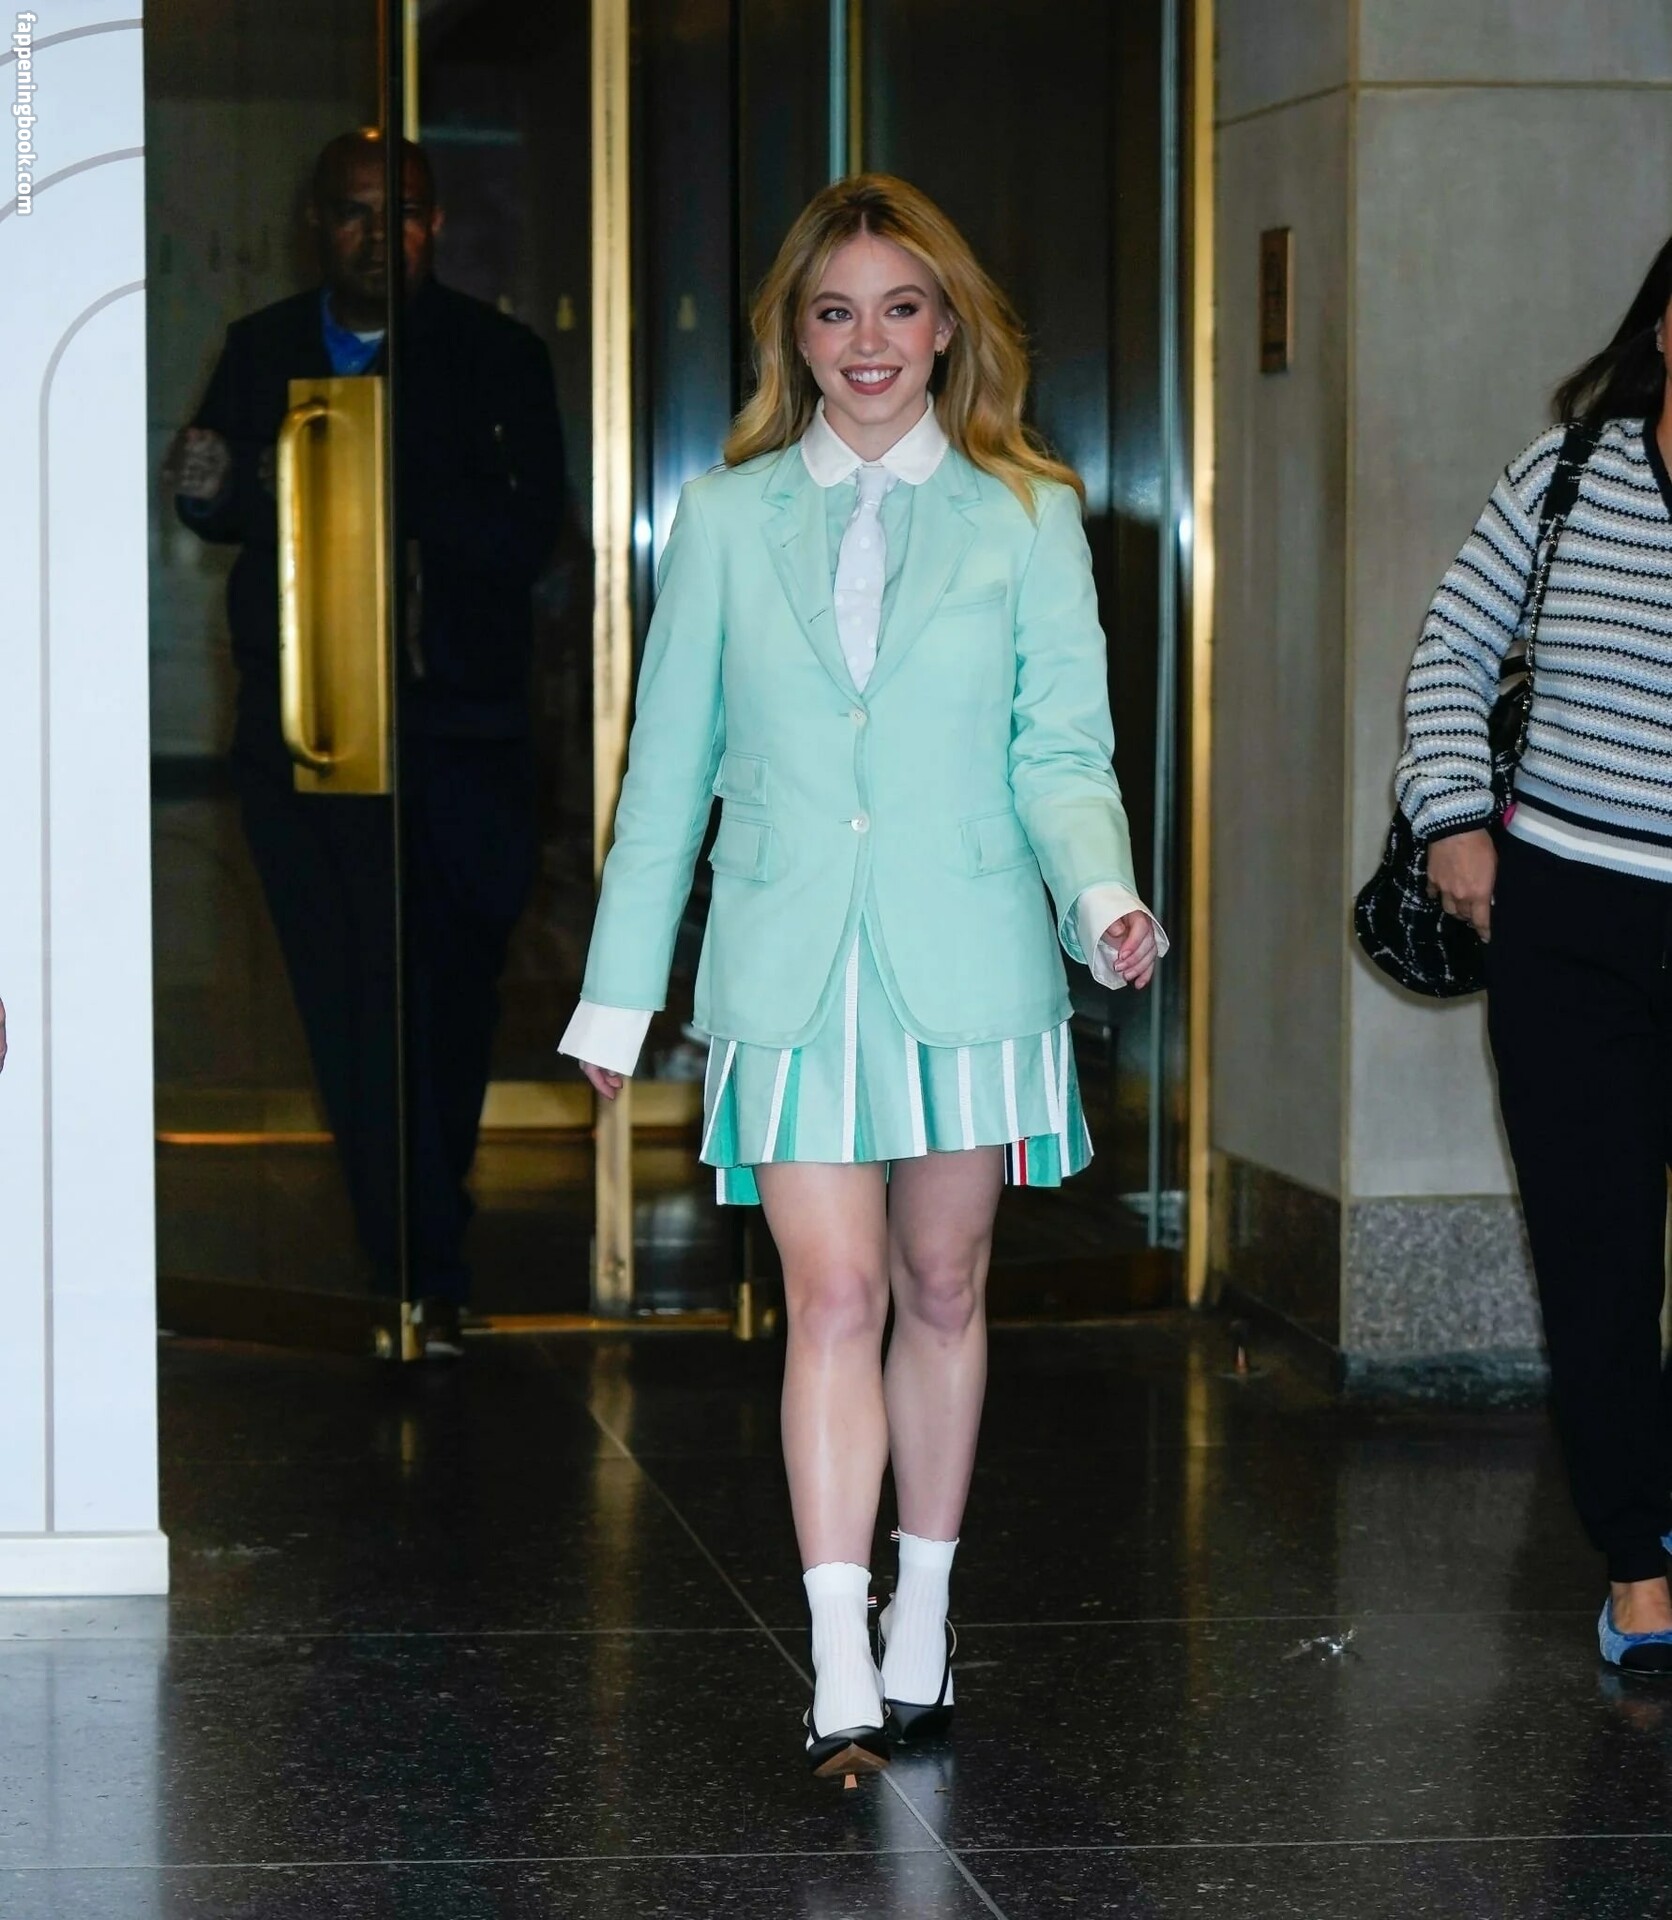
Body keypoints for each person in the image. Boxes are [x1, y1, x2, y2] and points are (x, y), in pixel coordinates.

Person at [559, 175, 1165, 1775]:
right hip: (790, 963)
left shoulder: (1030, 514)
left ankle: (924, 1611)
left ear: (949, 325)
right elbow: (666, 773)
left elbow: (1062, 751)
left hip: (969, 955)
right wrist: (620, 994)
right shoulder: (725, 517)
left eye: (901, 307)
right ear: (796, 336)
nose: (869, 340)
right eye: (836, 312)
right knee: (831, 1295)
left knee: (942, 1287)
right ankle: (836, 1646)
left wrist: (1102, 897)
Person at [166, 131, 565, 1354]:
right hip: (308, 738)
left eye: (403, 213)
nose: (378, 236)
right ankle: (413, 1262)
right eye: (352, 212)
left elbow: (530, 533)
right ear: (315, 225)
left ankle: (423, 1236)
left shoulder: (494, 355)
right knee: (348, 1006)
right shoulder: (261, 347)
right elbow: (216, 501)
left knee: (445, 1003)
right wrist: (208, 481)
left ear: (434, 226)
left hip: (459, 737)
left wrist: (358, 466)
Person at [1395, 230, 1672, 1674]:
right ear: (1665, 329)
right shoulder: (1564, 475)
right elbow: (1451, 648)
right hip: (1573, 926)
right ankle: (1639, 1566)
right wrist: (1453, 817)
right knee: (1599, 1258)